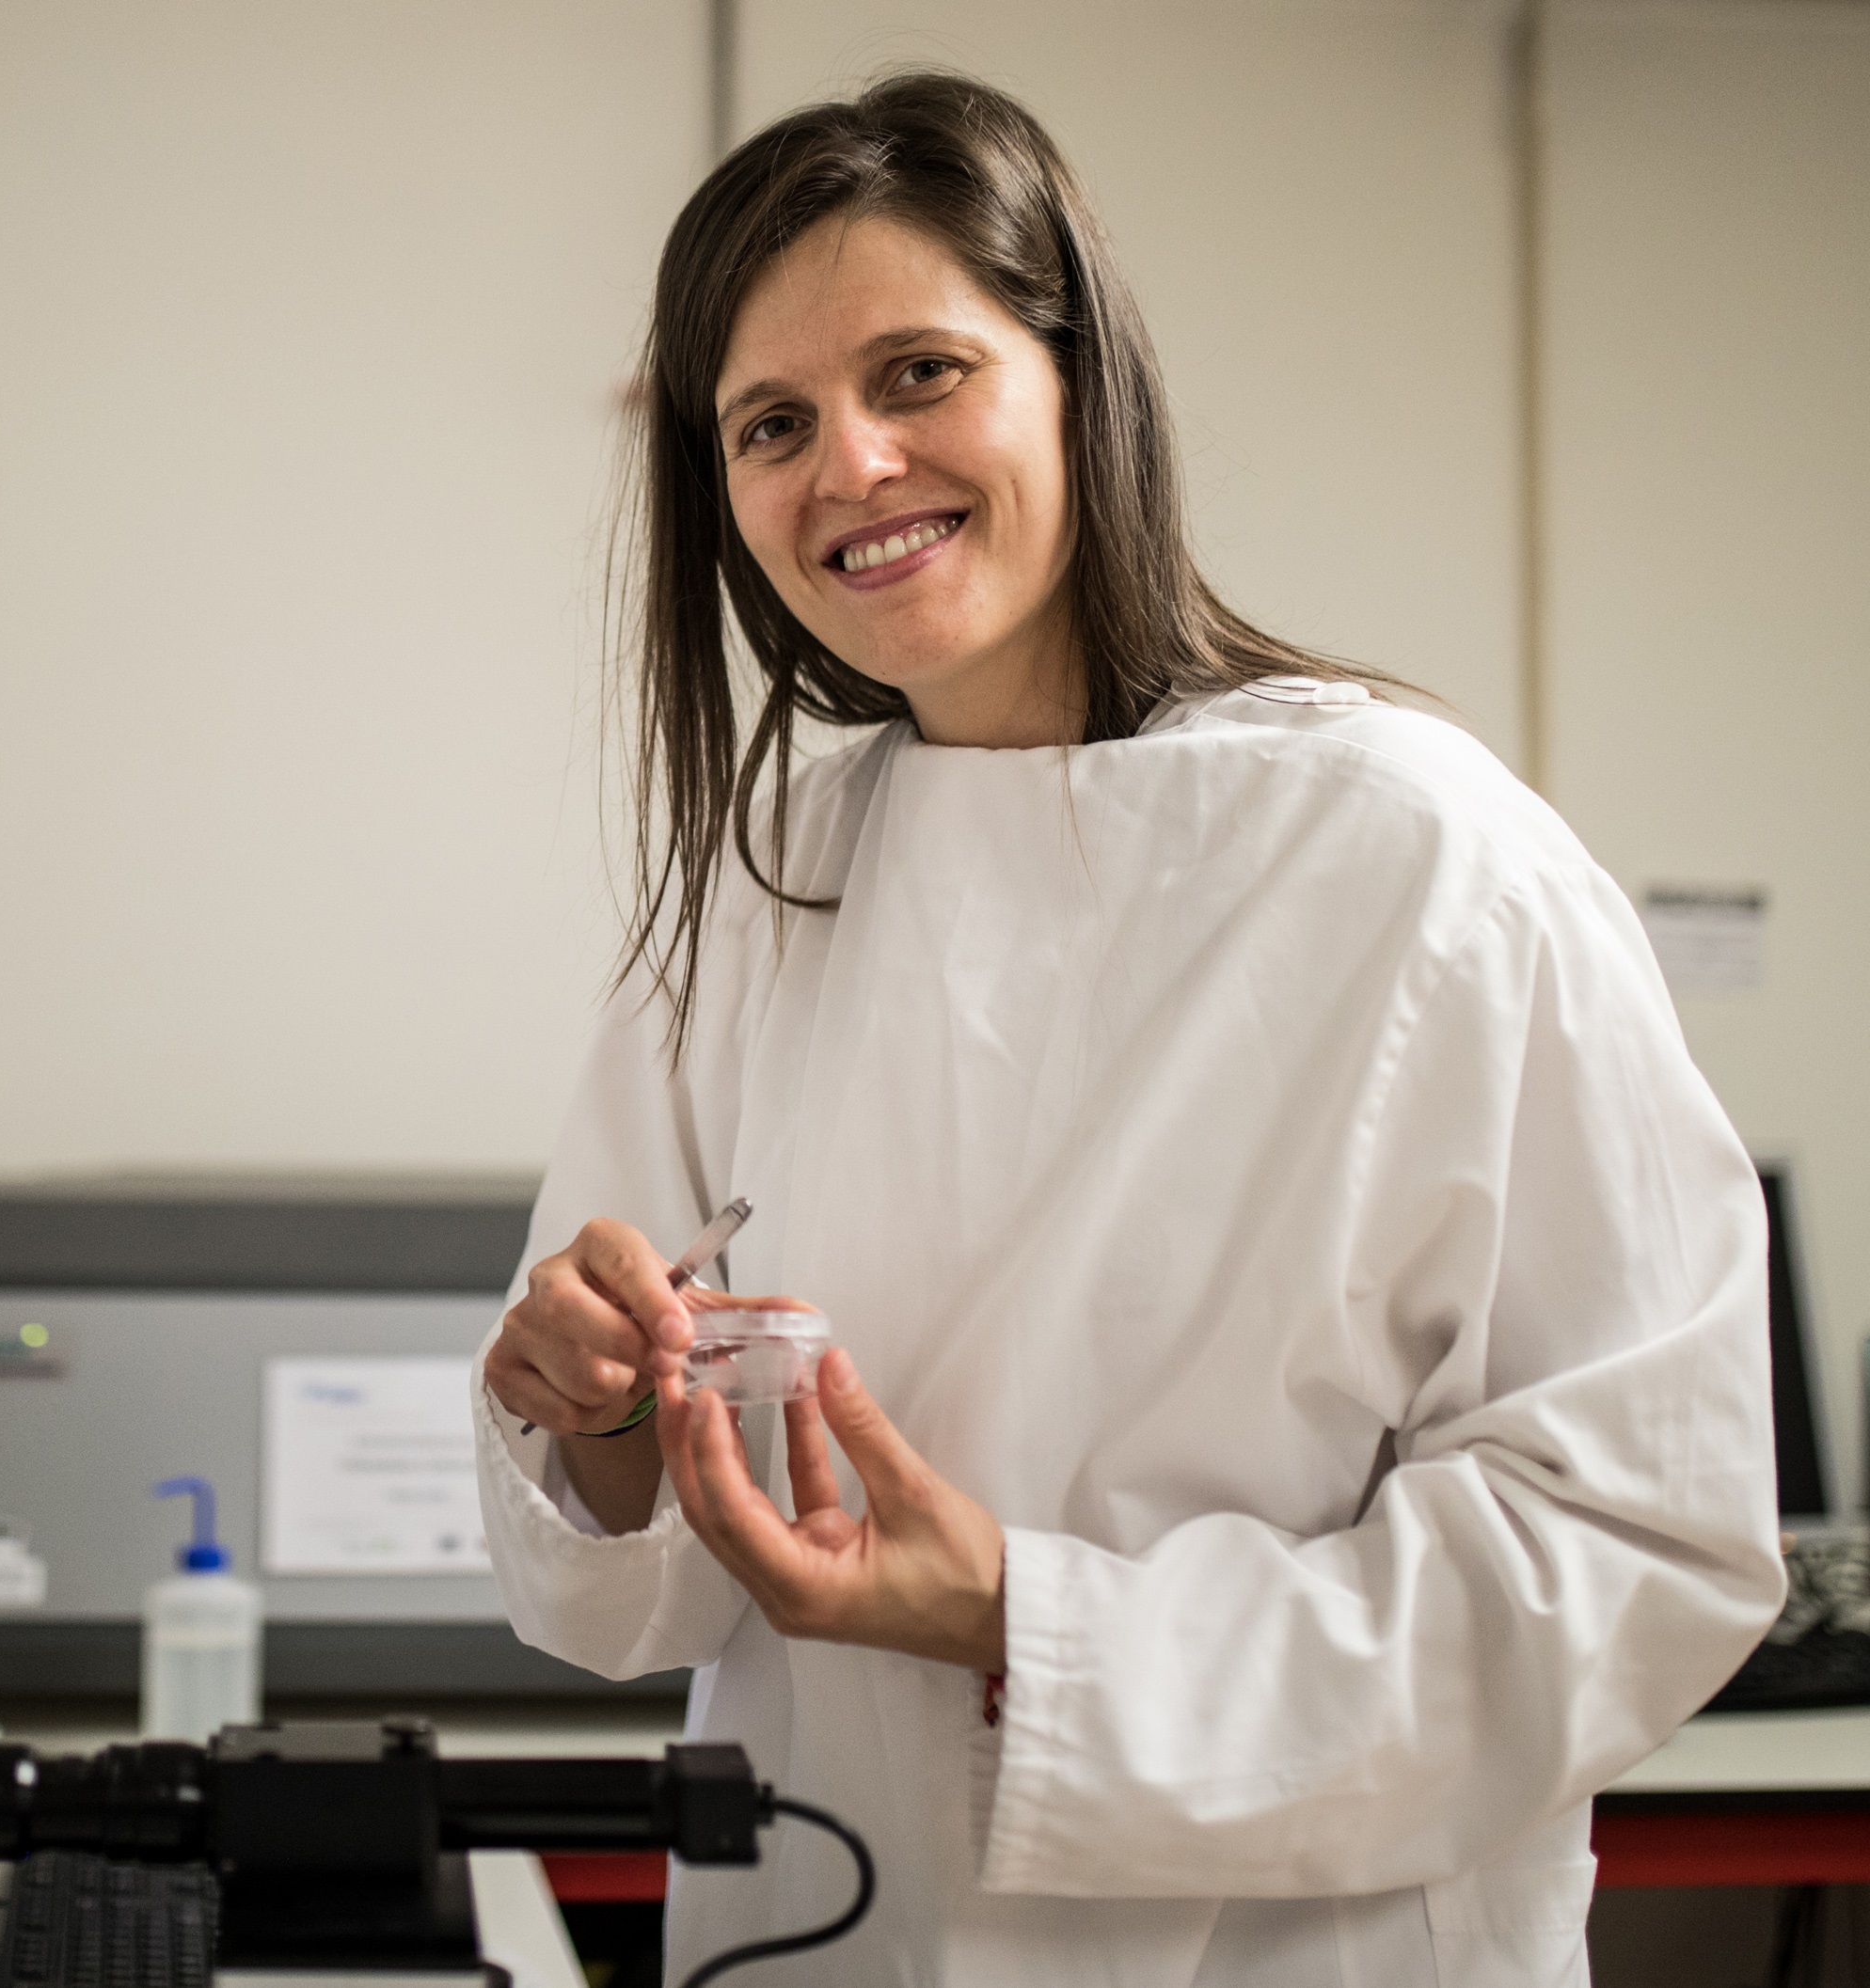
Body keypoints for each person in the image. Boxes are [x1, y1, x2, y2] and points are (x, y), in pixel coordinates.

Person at [475, 70, 1783, 1986]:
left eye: (919, 371)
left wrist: (1026, 1621)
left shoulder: (1424, 860)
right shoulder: (764, 886)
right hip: (826, 1925)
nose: (848, 466)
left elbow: (1645, 1550)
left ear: (1079, 376)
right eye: (773, 423)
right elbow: (627, 1582)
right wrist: (586, 1419)